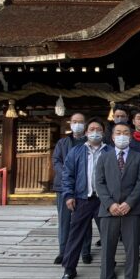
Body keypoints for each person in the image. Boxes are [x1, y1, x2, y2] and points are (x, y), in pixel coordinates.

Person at [94, 123, 140, 279]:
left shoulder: (139, 158)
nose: (122, 136)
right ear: (112, 137)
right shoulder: (104, 157)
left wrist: (129, 203)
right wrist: (110, 204)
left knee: (132, 249)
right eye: (118, 133)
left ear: (130, 137)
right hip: (109, 211)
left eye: (126, 133)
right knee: (108, 249)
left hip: (132, 210)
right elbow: (99, 183)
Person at [59, 117, 110, 279]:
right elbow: (67, 175)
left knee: (108, 235)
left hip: (104, 200)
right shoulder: (76, 151)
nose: (95, 132)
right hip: (82, 198)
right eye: (92, 129)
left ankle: (108, 266)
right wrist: (68, 195)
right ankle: (69, 269)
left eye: (98, 129)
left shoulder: (110, 151)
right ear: (86, 132)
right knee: (76, 235)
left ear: (103, 132)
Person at [52, 113, 90, 266]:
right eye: (75, 121)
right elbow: (56, 161)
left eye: (81, 122)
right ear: (70, 123)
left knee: (84, 220)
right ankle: (63, 251)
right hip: (64, 186)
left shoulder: (90, 142)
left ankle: (85, 251)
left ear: (85, 124)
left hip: (84, 186)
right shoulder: (63, 142)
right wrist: (68, 174)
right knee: (64, 220)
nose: (78, 124)